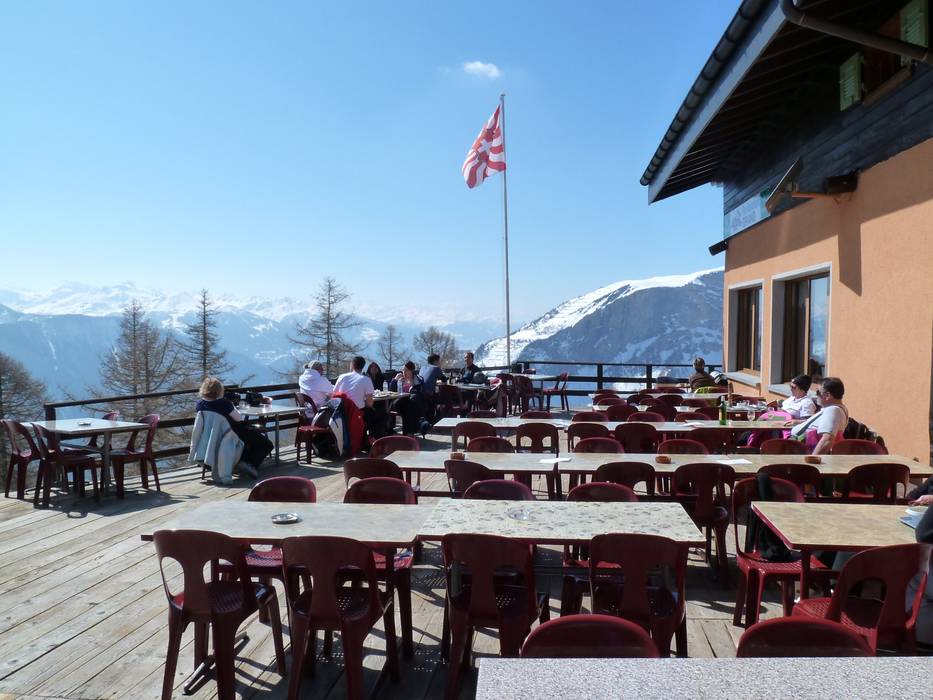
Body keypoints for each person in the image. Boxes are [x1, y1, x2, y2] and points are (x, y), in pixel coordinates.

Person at [195, 376, 272, 469]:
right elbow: (239, 418)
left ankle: (237, 462)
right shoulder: (224, 403)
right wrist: (232, 406)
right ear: (219, 390)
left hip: (210, 436)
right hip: (231, 434)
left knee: (250, 439)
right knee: (266, 444)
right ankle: (248, 465)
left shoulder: (199, 404)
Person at [790, 376, 848, 455]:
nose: (815, 395)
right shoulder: (835, 409)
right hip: (799, 448)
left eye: (818, 392)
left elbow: (827, 439)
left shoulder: (832, 410)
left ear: (827, 395)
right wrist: (799, 422)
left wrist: (812, 459)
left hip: (802, 450)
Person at [333, 356, 378, 437]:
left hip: (341, 411)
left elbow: (334, 394)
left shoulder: (342, 377)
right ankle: (370, 438)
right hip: (357, 412)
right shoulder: (366, 380)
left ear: (352, 365)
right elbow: (369, 403)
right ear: (363, 366)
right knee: (376, 413)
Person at [391, 361, 427, 434]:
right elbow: (391, 390)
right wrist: (395, 380)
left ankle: (408, 433)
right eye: (403, 370)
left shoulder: (417, 380)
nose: (404, 372)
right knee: (410, 408)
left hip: (409, 404)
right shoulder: (400, 380)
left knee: (408, 411)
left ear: (412, 370)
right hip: (398, 402)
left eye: (406, 370)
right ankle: (415, 428)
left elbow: (420, 393)